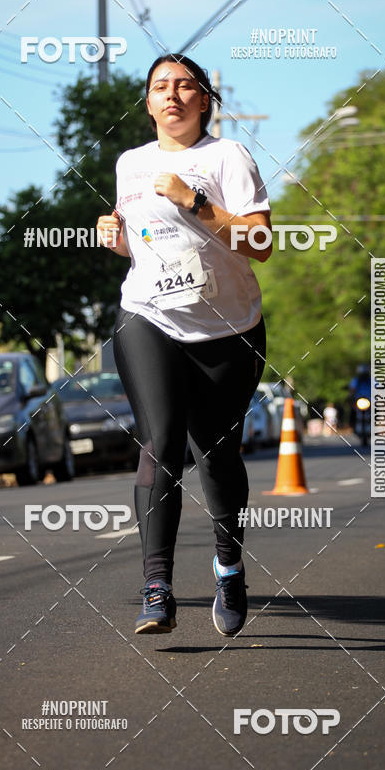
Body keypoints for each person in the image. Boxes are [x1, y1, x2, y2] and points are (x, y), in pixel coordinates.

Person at [96, 54, 271, 637]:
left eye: (185, 87)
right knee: (161, 441)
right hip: (148, 315)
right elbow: (140, 243)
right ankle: (157, 586)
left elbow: (261, 242)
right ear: (147, 103)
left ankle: (228, 567)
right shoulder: (130, 162)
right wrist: (116, 240)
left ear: (204, 101)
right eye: (159, 88)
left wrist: (194, 201)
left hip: (227, 328)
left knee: (216, 455)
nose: (172, 95)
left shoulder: (227, 157)